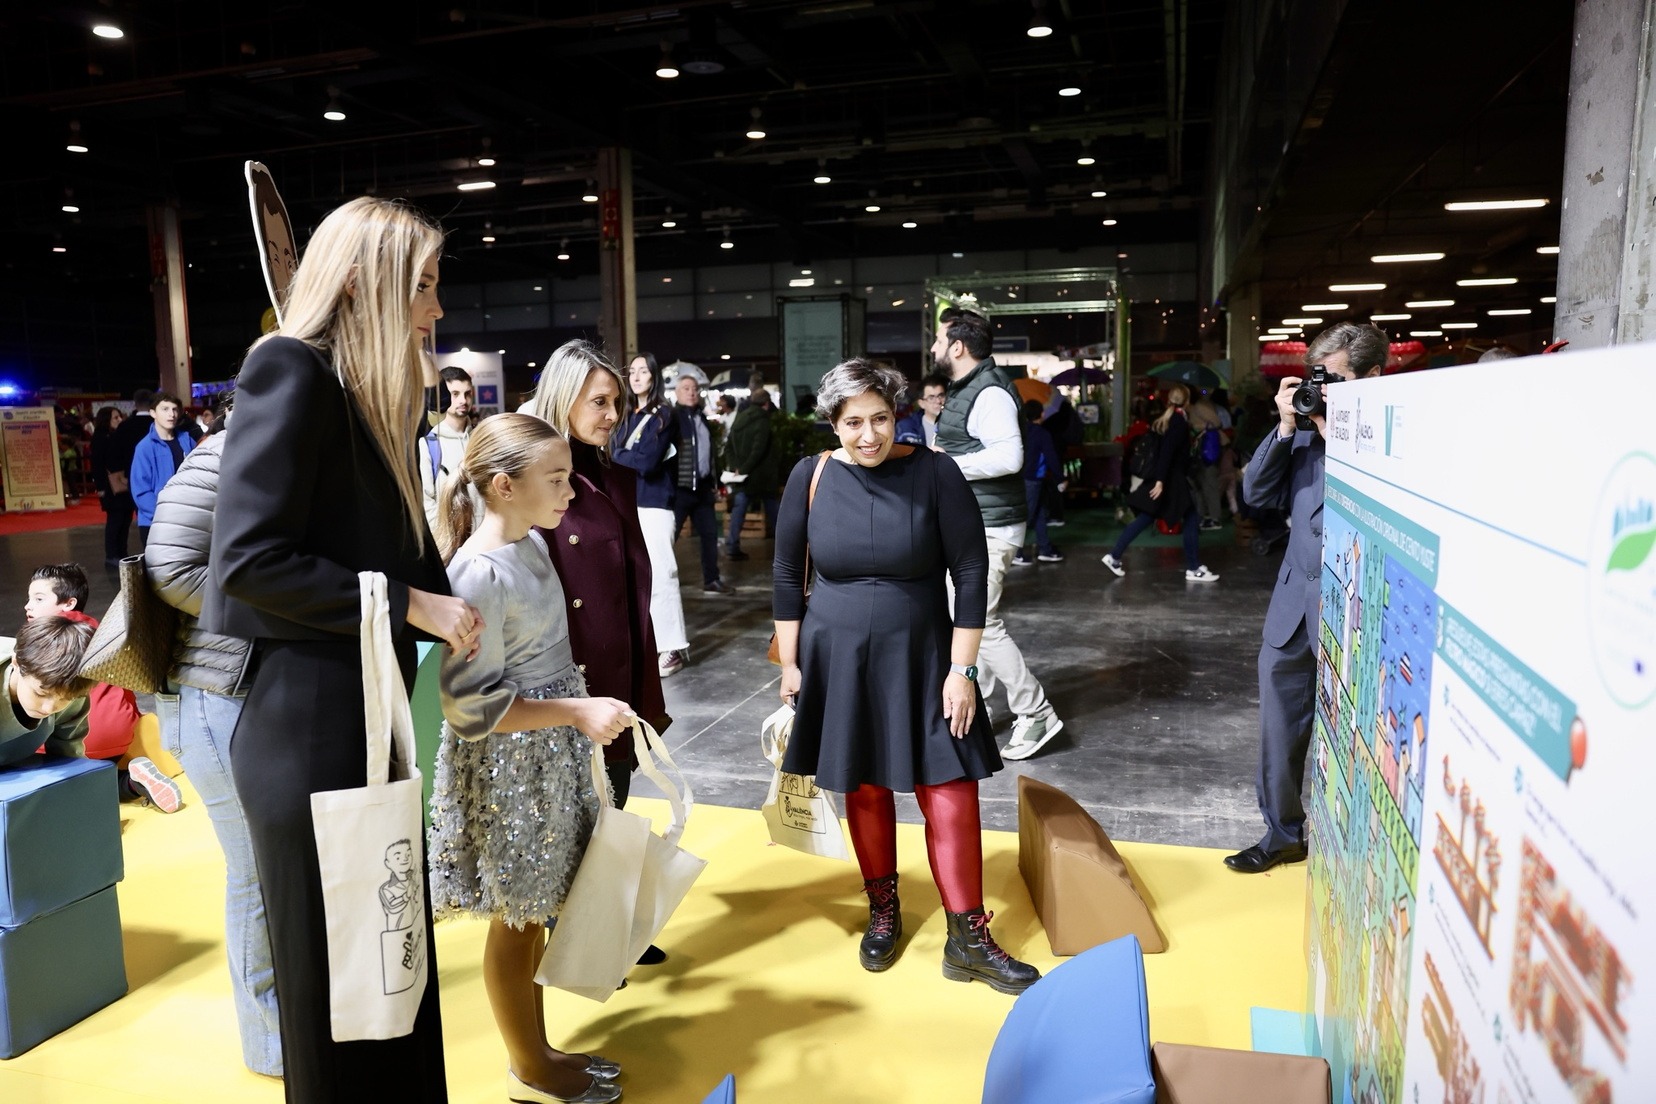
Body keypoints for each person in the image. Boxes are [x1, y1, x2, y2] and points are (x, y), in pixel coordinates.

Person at [205, 196, 480, 1103]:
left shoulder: (374, 396)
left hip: (369, 717)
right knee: (342, 1000)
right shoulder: (290, 368)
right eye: (423, 286)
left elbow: (396, 551)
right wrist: (409, 603)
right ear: (362, 282)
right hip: (307, 728)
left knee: (396, 976)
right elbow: (249, 562)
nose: (436, 308)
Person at [774, 358, 1040, 995]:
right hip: (837, 657)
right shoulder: (810, 476)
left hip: (925, 654)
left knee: (950, 787)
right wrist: (790, 663)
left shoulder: (935, 472)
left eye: (880, 419)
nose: (868, 435)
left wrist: (963, 669)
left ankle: (967, 937)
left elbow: (970, 571)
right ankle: (883, 908)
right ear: (833, 424)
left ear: (898, 416)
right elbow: (786, 572)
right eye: (853, 423)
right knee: (865, 786)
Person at [429, 414, 630, 1104]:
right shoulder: (478, 572)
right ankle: (529, 1069)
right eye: (557, 478)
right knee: (515, 919)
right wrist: (573, 711)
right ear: (505, 486)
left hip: (550, 754)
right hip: (511, 769)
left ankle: (538, 1050)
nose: (570, 491)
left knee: (536, 909)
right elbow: (468, 707)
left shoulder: (533, 544)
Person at [145, 397, 283, 1076]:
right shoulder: (221, 456)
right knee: (254, 870)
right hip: (211, 691)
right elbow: (169, 570)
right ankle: (270, 1042)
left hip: (254, 690)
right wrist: (283, 606)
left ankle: (292, 1024)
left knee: (273, 867)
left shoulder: (284, 457)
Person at [527, 340, 673, 973]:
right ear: (564, 398)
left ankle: (603, 925)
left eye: (617, 401)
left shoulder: (612, 476)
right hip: (565, 675)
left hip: (623, 662)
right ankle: (574, 934)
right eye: (600, 402)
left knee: (613, 798)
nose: (614, 413)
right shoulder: (535, 479)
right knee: (569, 809)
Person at [1225, 322, 1387, 875]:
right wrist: (1288, 424)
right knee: (1278, 726)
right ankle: (1282, 834)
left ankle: (1356, 856)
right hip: (1294, 602)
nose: (1322, 390)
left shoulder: (1388, 434)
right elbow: (1256, 494)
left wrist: (1337, 432)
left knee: (1354, 736)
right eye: (1318, 378)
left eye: (1335, 380)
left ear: (1371, 377)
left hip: (1355, 606)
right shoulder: (1302, 430)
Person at [930, 307, 1065, 763]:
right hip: (974, 523)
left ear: (957, 347)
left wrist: (945, 464)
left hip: (992, 526)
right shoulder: (968, 388)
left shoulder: (989, 392)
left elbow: (1009, 457)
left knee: (979, 623)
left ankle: (1037, 711)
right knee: (962, 617)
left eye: (938, 340)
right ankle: (980, 704)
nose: (933, 347)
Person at [23, 564, 162, 809]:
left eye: (39, 599)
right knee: (96, 775)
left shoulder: (42, 641)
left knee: (32, 771)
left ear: (69, 603)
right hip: (120, 736)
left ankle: (97, 794)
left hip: (78, 742)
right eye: (29, 598)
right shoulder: (101, 632)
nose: (28, 606)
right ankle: (131, 783)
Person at [613, 352, 692, 678]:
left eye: (643, 371)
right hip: (627, 502)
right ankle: (647, 644)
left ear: (654, 376)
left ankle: (671, 648)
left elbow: (646, 463)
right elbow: (616, 454)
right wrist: (622, 454)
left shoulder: (664, 415)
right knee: (633, 576)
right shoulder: (626, 415)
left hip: (656, 504)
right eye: (632, 371)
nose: (636, 376)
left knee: (661, 575)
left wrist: (617, 454)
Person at [1101, 383, 1220, 583]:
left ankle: (1114, 556)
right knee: (1191, 517)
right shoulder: (1178, 421)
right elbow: (1167, 453)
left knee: (1147, 517)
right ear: (1187, 401)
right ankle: (1193, 568)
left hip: (1166, 479)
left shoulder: (1168, 419)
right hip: (1171, 480)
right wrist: (1160, 482)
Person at [0, 616, 99, 768]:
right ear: (17, 664)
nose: (48, 708)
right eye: (40, 693)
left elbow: (69, 758)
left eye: (65, 699)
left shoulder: (71, 684)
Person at [668, 370, 731, 594]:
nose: (691, 393)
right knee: (669, 537)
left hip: (703, 488)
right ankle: (656, 579)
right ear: (677, 393)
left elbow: (709, 453)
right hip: (681, 489)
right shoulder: (673, 418)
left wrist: (716, 481)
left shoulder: (702, 417)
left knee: (710, 535)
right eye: (686, 389)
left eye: (694, 389)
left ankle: (711, 579)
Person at [722, 381, 779, 562]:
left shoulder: (739, 418)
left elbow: (728, 446)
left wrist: (736, 468)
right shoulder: (763, 421)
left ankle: (732, 546)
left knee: (738, 510)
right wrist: (745, 469)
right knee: (774, 512)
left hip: (742, 477)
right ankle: (787, 549)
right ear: (766, 404)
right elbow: (758, 450)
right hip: (762, 476)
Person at [130, 391, 194, 549]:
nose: (171, 414)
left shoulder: (187, 441)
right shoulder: (144, 447)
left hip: (187, 520)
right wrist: (166, 516)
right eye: (165, 409)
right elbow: (141, 491)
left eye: (174, 409)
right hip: (155, 523)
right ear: (153, 413)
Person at [1011, 399, 1064, 566]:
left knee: (1039, 512)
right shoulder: (1042, 434)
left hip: (1020, 477)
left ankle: (1045, 549)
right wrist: (1060, 478)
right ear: (1041, 414)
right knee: (1027, 517)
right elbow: (1051, 458)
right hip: (1033, 479)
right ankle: (1015, 552)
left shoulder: (1020, 431)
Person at [422, 365, 475, 529]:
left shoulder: (481, 439)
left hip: (483, 538)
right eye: (455, 394)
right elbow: (427, 501)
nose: (463, 400)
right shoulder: (429, 443)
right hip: (446, 538)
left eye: (467, 393)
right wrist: (440, 538)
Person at [89, 406, 130, 567]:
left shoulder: (118, 435)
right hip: (109, 485)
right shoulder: (100, 437)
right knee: (115, 520)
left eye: (119, 417)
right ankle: (112, 554)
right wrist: (100, 487)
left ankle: (122, 552)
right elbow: (97, 464)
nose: (119, 420)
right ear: (106, 420)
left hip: (121, 483)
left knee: (125, 519)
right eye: (115, 417)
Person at [1186, 391, 1226, 530]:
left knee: (1209, 482)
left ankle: (1214, 518)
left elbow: (1216, 422)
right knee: (1201, 484)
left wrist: (1199, 427)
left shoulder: (1199, 406)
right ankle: (1204, 516)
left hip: (1206, 447)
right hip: (1201, 449)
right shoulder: (1197, 406)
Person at [895, 372, 947, 448]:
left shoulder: (955, 425)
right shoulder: (905, 427)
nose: (938, 401)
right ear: (921, 403)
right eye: (931, 398)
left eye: (941, 396)